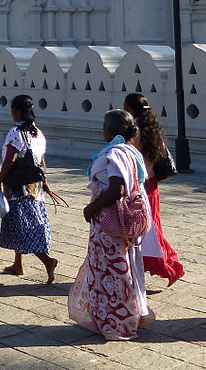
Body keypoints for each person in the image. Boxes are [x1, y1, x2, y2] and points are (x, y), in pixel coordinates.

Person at [69, 109, 154, 341]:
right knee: (121, 265)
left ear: (112, 130)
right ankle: (120, 316)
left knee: (113, 269)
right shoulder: (131, 152)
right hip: (118, 220)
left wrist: (92, 209)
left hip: (110, 221)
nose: (102, 130)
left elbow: (118, 188)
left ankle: (117, 321)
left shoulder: (115, 154)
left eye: (104, 126)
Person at [0, 94, 58, 284]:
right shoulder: (38, 132)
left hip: (18, 187)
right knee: (23, 224)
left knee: (24, 228)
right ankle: (18, 263)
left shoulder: (16, 132)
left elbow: (10, 159)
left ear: (18, 111)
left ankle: (48, 261)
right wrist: (44, 181)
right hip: (35, 187)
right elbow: (41, 161)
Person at [123, 93, 185, 286]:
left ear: (131, 110)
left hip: (141, 186)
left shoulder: (135, 132)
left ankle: (170, 266)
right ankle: (144, 268)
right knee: (150, 227)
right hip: (152, 185)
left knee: (146, 230)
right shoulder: (153, 129)